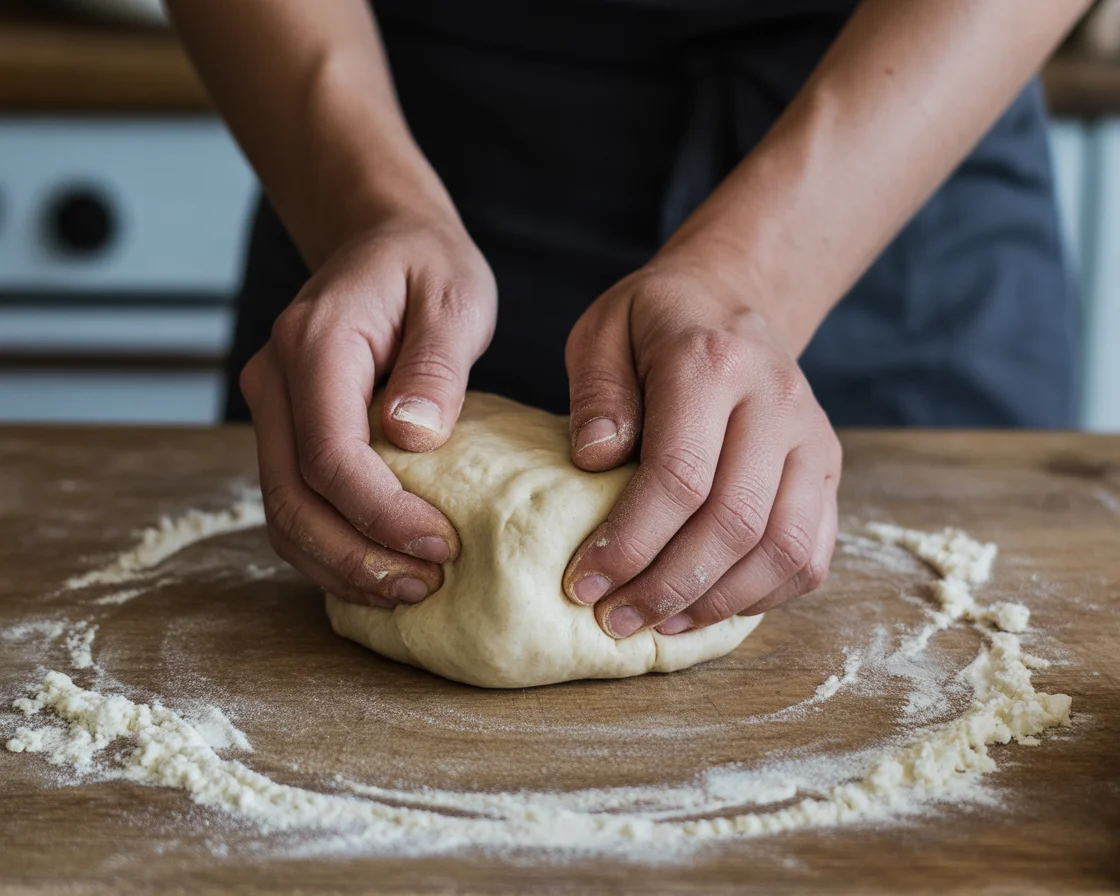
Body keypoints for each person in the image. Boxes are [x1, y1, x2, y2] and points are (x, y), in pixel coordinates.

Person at [166, 0, 1089, 641]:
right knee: (361, 500)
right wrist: (365, 206)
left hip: (903, 128)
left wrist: (756, 268)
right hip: (387, 117)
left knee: (955, 619)